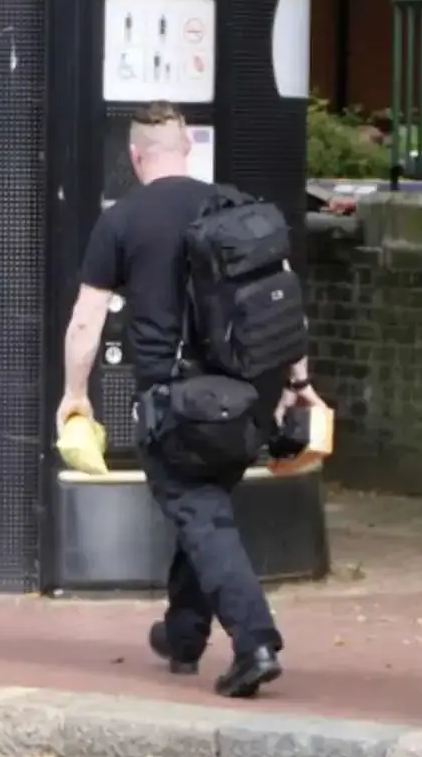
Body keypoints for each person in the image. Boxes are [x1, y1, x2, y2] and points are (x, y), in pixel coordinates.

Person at [57, 102, 323, 699]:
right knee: (204, 512)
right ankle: (182, 635)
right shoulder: (236, 209)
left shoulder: (121, 221)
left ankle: (255, 641)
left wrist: (76, 396)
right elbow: (284, 307)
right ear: (187, 149)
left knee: (201, 515)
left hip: (175, 407)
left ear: (134, 156)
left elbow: (85, 322)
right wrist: (298, 384)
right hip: (247, 401)